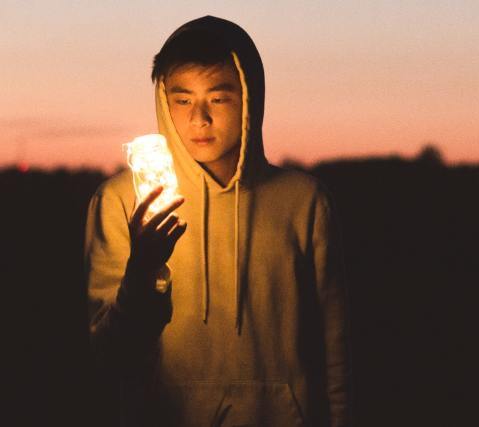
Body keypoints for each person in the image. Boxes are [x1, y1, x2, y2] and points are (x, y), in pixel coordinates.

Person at [85, 16, 351, 426]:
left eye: (219, 98)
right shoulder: (124, 202)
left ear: (250, 99)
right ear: (162, 100)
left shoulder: (304, 202)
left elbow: (336, 349)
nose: (200, 119)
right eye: (183, 99)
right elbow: (107, 357)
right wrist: (142, 271)